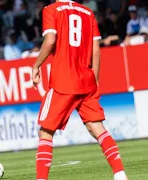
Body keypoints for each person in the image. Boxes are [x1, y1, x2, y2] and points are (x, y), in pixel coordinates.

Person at [32, 1, 128, 180]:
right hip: (86, 79)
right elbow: (96, 50)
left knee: (45, 132)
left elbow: (50, 40)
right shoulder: (87, 12)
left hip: (63, 80)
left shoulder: (51, 10)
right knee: (97, 128)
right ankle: (120, 174)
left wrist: (36, 65)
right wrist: (96, 79)